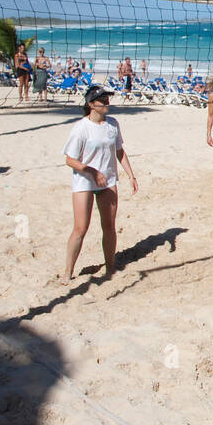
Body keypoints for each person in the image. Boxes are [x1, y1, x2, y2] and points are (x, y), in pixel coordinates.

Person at [62, 85, 138, 282]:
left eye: (107, 99)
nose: (106, 102)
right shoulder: (81, 128)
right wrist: (92, 171)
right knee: (80, 228)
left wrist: (131, 175)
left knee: (109, 226)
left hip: (108, 181)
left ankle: (110, 267)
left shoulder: (113, 124)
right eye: (102, 100)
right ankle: (67, 272)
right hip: (85, 181)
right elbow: (70, 159)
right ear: (91, 105)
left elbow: (119, 151)